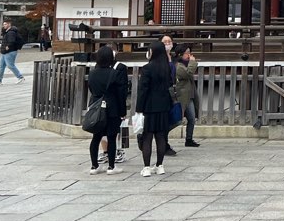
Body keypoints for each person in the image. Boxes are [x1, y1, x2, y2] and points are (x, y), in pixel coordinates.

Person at [86, 46, 128, 175]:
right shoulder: (114, 74)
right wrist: (122, 111)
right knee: (111, 137)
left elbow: (92, 90)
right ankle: (111, 166)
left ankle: (94, 166)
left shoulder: (92, 73)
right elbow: (121, 94)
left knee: (96, 137)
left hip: (97, 107)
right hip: (112, 108)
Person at [136, 42, 174, 176]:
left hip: (149, 106)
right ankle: (160, 165)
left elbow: (143, 90)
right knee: (161, 136)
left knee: (147, 136)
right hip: (163, 105)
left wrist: (139, 108)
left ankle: (146, 167)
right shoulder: (167, 68)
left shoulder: (147, 68)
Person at [173, 44, 201, 148]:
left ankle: (189, 139)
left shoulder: (185, 64)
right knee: (176, 120)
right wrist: (193, 62)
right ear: (180, 54)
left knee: (192, 118)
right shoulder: (178, 65)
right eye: (187, 53)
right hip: (182, 95)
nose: (189, 55)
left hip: (190, 95)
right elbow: (188, 74)